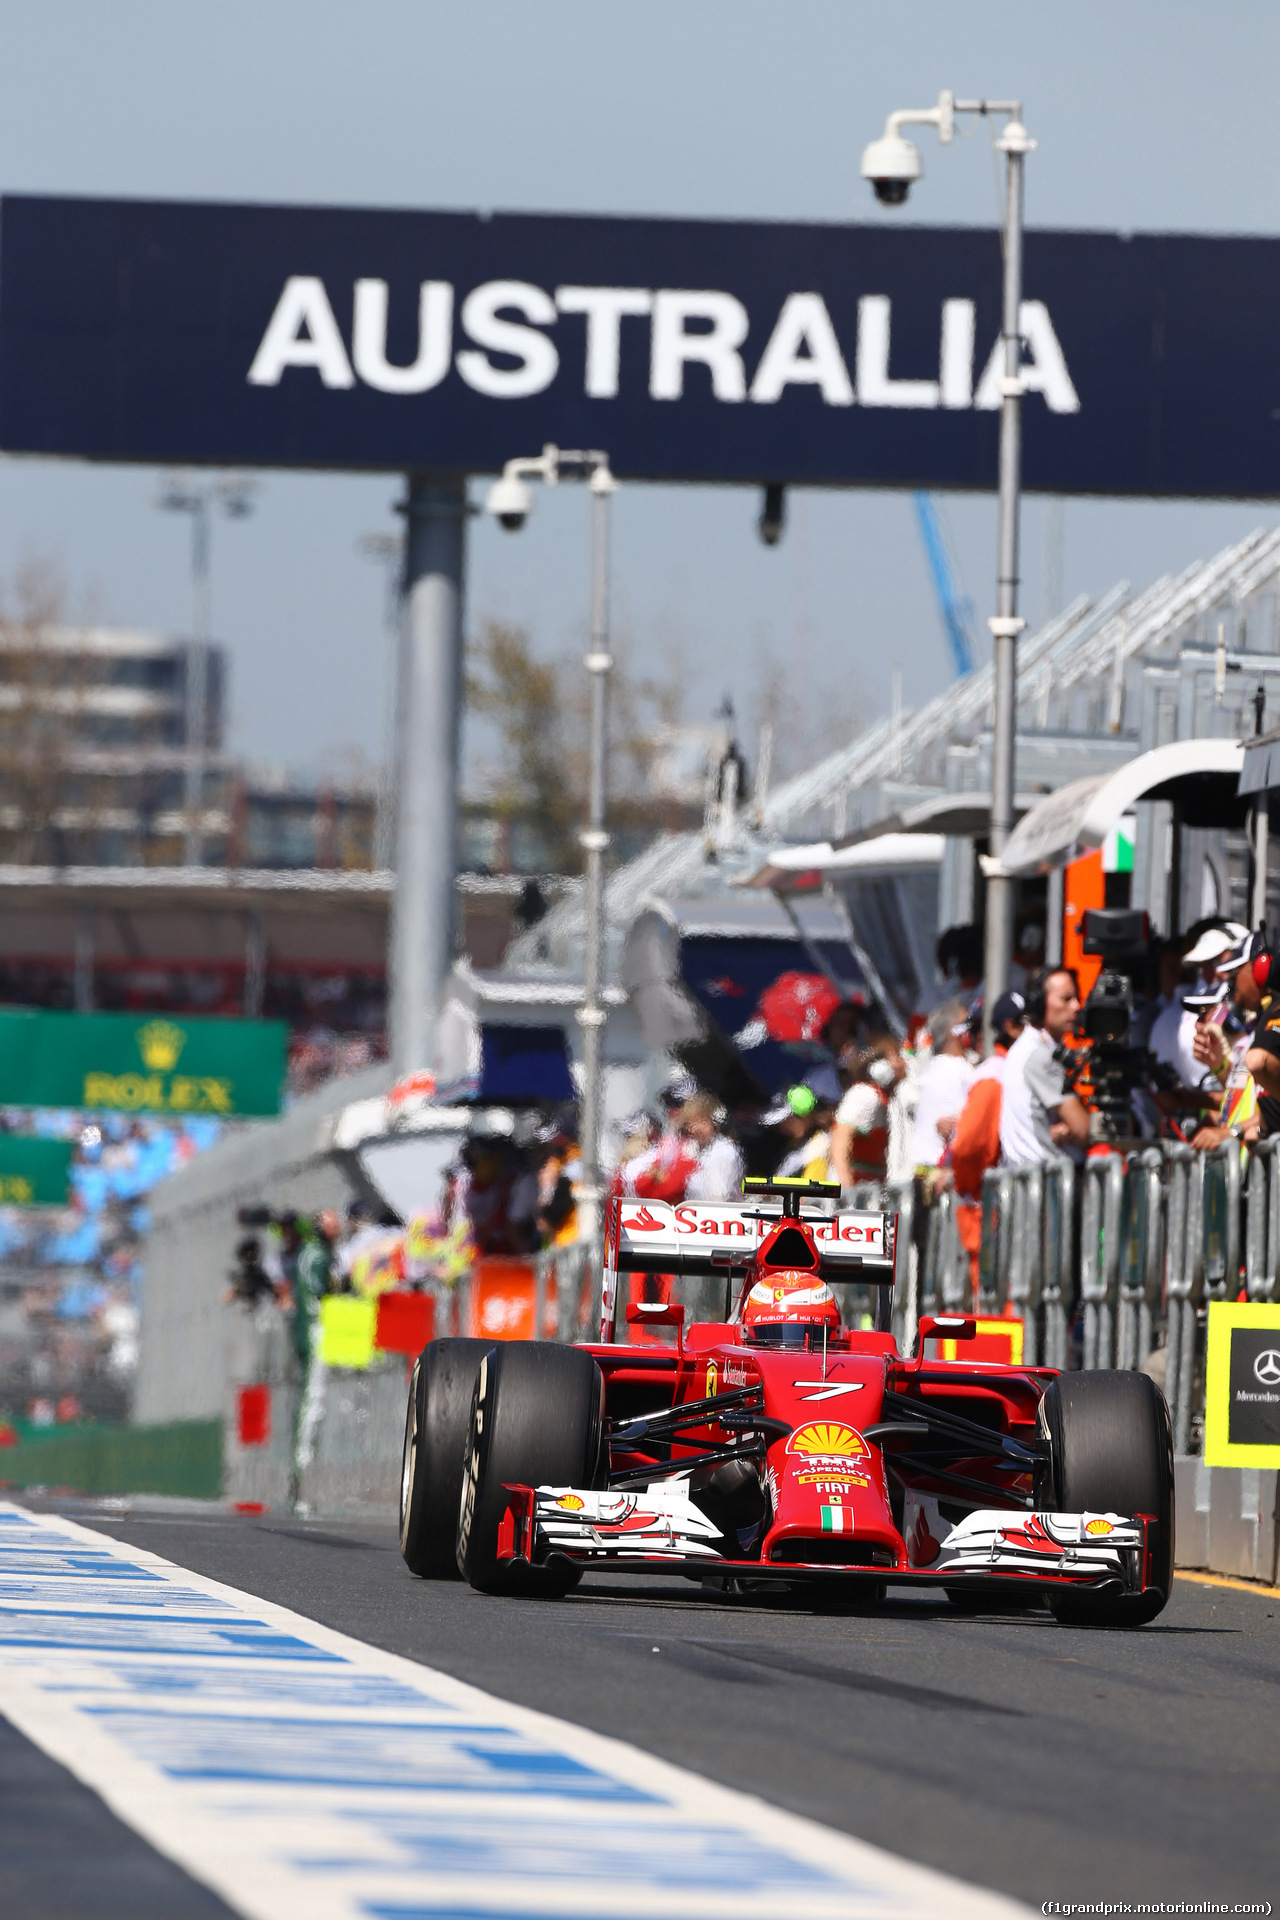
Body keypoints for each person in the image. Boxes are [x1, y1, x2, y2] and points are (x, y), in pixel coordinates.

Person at [1000, 968, 1090, 1166]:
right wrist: (1075, 1125)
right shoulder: (1039, 1055)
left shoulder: (1025, 1047)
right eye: (1066, 999)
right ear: (1039, 1005)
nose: (1076, 1006)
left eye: (1077, 997)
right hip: (1046, 1182)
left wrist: (1068, 1127)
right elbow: (1083, 1131)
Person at [829, 1038, 906, 1187]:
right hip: (851, 1197)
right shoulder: (865, 1095)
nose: (905, 1063)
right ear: (881, 1068)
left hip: (871, 1193)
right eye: (897, 1057)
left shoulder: (890, 1102)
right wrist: (847, 1189)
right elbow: (840, 1140)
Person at [911, 999, 974, 1172]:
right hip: (941, 1171)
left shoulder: (929, 1069)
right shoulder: (961, 1070)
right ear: (955, 1030)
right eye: (969, 1024)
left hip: (921, 1169)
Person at [679, 1093, 745, 1201]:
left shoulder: (725, 1151)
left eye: (703, 1122)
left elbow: (718, 1198)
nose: (697, 1128)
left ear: (715, 1123)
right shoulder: (689, 1149)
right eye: (692, 1123)